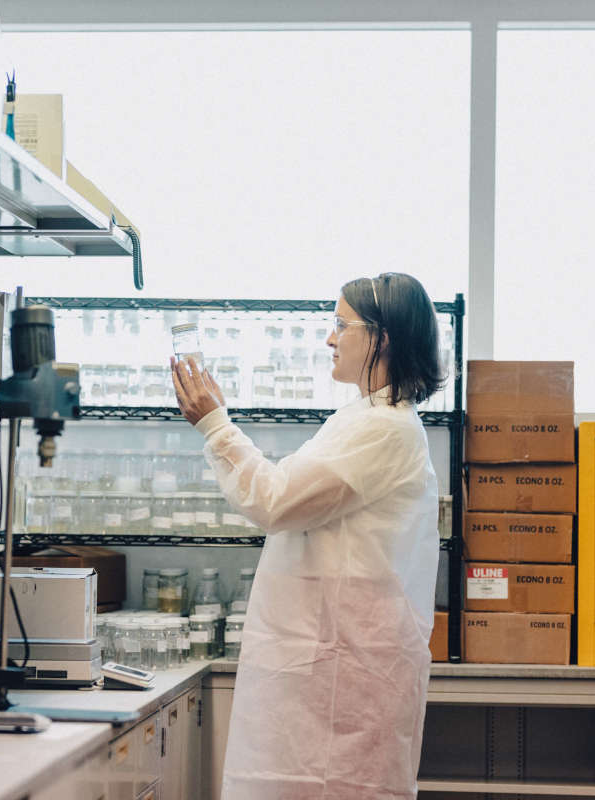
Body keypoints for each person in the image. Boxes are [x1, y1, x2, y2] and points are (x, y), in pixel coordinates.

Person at [169, 272, 447, 800]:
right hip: (336, 674)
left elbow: (274, 500)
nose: (329, 338)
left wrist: (216, 427)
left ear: (381, 337)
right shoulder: (363, 418)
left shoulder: (382, 428)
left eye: (341, 325)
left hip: (348, 682)